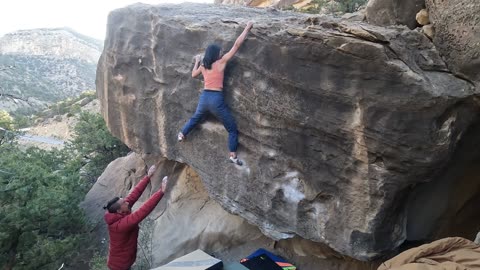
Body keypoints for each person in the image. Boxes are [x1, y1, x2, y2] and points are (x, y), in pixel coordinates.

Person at [178, 21, 254, 166]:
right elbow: (236, 45)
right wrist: (247, 28)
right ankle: (232, 155)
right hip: (216, 99)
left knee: (195, 118)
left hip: (204, 98)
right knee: (232, 128)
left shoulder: (204, 66)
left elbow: (194, 75)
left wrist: (197, 61)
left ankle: (182, 134)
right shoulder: (221, 63)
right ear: (215, 55)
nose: (222, 53)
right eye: (219, 52)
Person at [103, 165, 168, 270]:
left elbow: (134, 194)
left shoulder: (121, 210)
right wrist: (160, 192)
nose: (127, 201)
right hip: (119, 267)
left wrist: (148, 176)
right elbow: (141, 213)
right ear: (119, 210)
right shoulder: (119, 226)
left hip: (124, 262)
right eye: (123, 202)